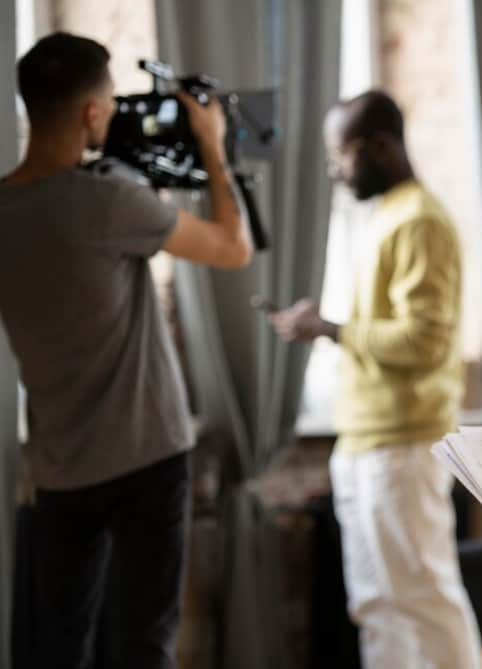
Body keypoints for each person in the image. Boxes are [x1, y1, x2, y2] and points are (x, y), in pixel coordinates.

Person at [0, 32, 252, 668]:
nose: (113, 112)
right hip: (148, 455)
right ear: (89, 111)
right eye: (109, 100)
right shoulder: (108, 200)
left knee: (58, 645)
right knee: (144, 645)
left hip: (59, 466)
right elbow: (233, 246)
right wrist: (213, 145)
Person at [267, 90, 482, 668]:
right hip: (364, 441)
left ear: (382, 146)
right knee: (376, 604)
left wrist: (330, 328)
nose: (336, 171)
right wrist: (325, 327)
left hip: (405, 444)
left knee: (423, 600)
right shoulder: (388, 216)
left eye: (341, 155)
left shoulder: (420, 220)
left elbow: (424, 340)